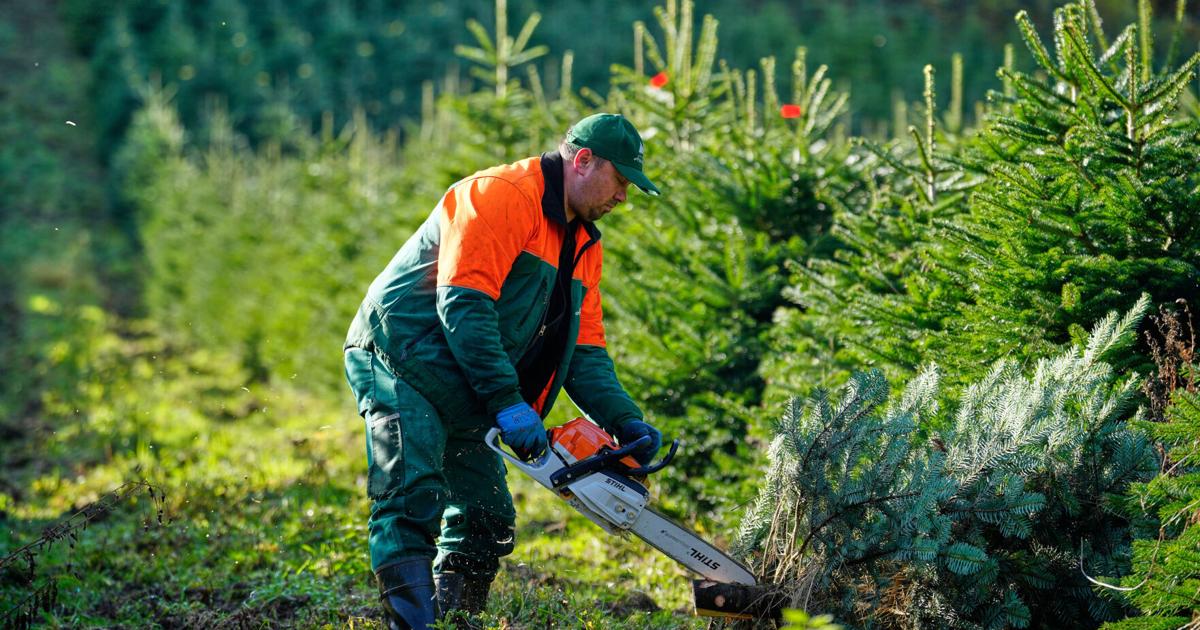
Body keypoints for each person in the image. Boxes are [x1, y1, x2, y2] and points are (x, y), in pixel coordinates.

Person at [342, 113, 664, 629]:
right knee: (412, 490)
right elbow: (464, 308)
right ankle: (413, 624)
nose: (623, 196)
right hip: (401, 355)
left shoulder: (584, 245)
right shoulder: (499, 195)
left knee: (487, 516)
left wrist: (623, 420)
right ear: (583, 161)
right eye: (621, 180)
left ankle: (454, 619)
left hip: (465, 377)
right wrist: (507, 400)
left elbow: (583, 351)